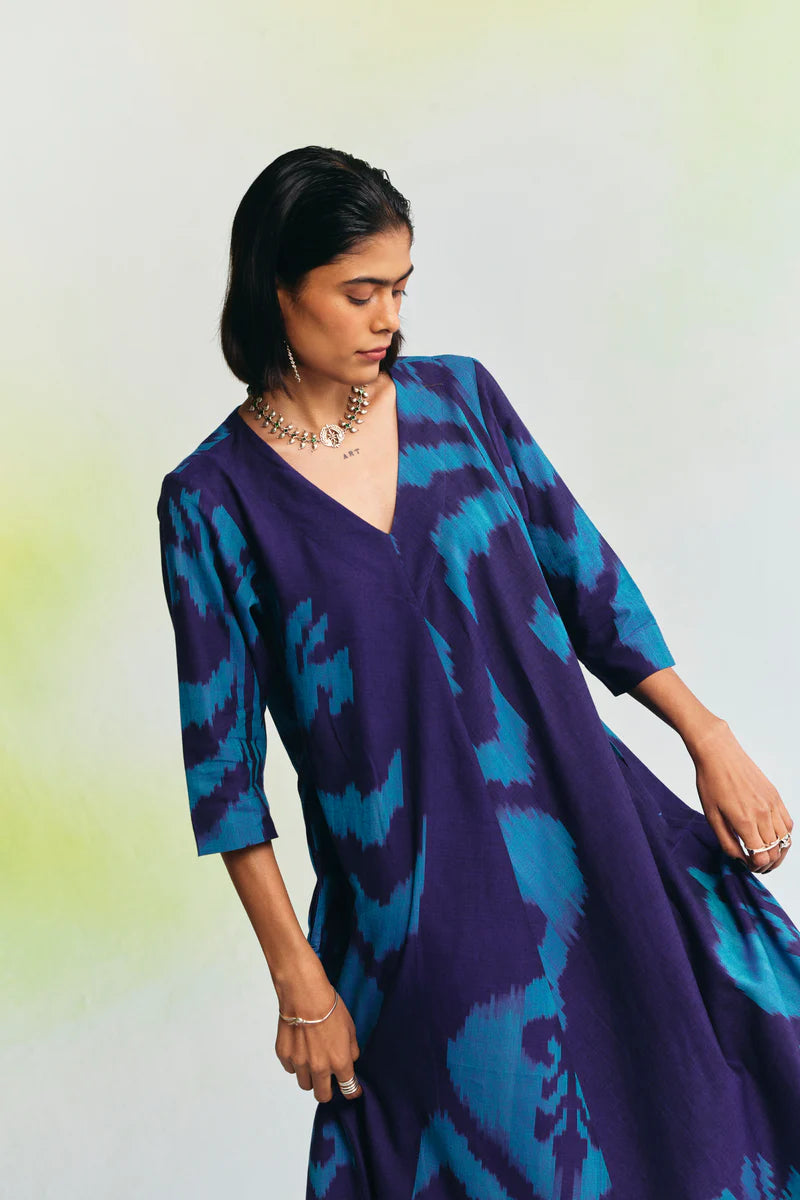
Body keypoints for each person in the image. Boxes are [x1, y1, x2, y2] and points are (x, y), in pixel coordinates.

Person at [156, 146, 800, 1200]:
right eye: (359, 292)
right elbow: (222, 771)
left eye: (399, 290)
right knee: (505, 1159)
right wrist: (295, 974)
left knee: (715, 1096)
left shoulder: (460, 402)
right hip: (418, 911)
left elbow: (588, 583)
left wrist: (708, 736)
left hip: (594, 842)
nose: (386, 319)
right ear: (277, 288)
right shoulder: (211, 502)